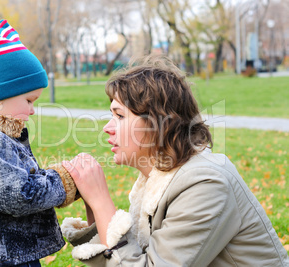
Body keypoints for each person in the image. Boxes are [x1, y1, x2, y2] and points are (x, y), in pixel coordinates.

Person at [61, 55, 289, 266]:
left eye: (120, 116)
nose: (107, 128)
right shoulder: (159, 179)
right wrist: (94, 205)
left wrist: (102, 201)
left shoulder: (205, 184)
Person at [0, 19, 79, 267]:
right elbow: (20, 195)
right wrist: (64, 181)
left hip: (14, 254)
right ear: (0, 96)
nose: (32, 111)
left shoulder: (0, 136)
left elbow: (22, 179)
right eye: (29, 101)